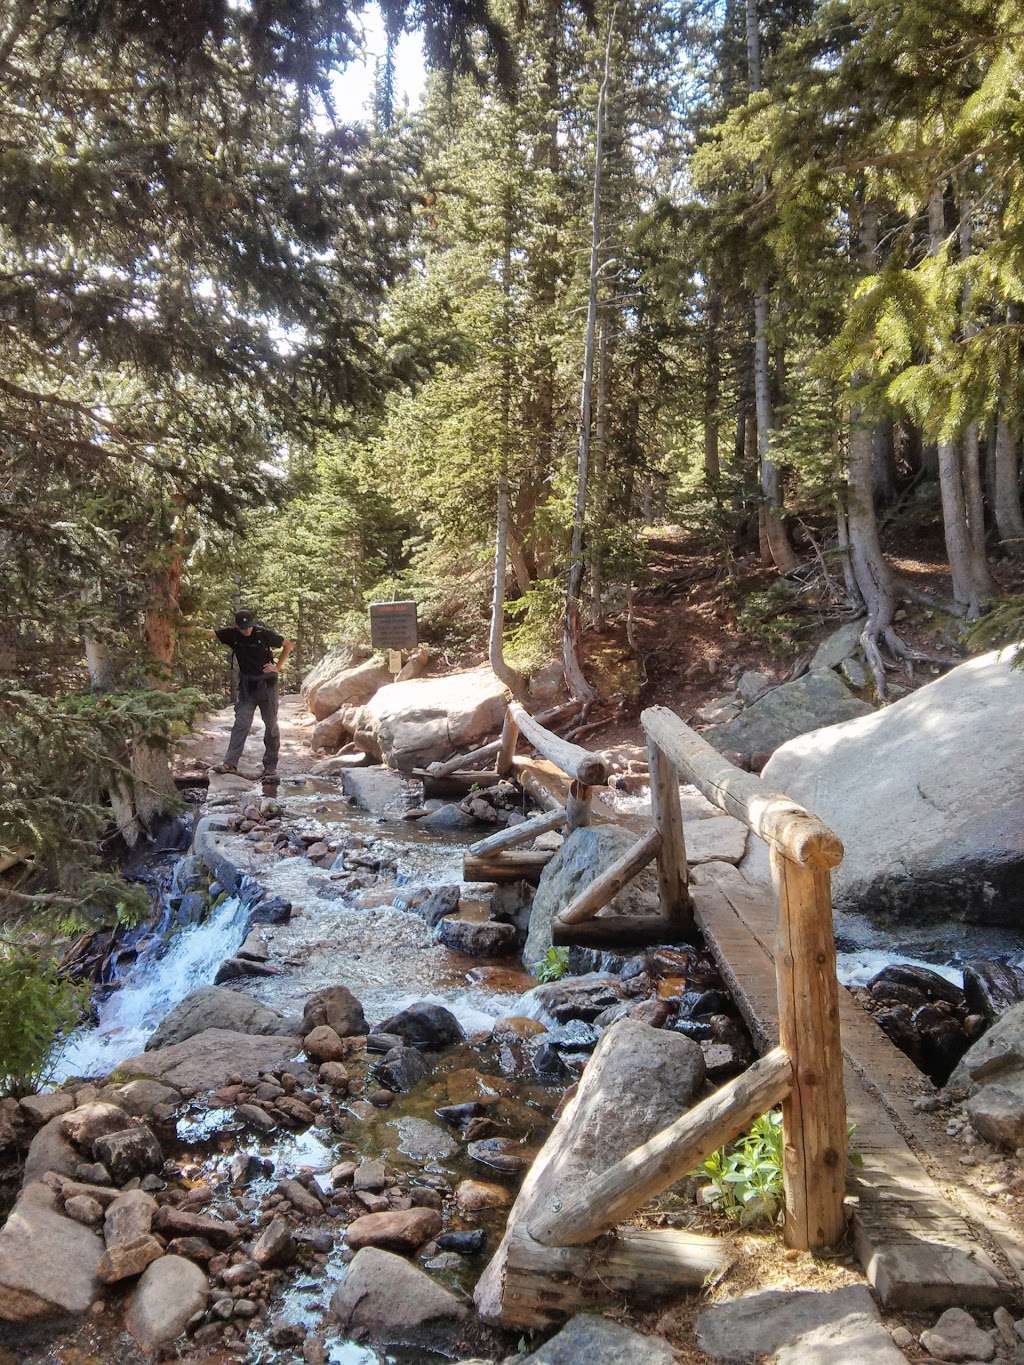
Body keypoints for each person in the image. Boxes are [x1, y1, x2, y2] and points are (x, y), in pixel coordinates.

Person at [211, 609, 293, 777]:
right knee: (241, 724)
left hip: (267, 685)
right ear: (237, 625)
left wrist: (277, 667)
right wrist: (178, 624)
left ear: (252, 624)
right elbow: (208, 633)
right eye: (243, 627)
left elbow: (288, 644)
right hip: (247, 687)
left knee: (271, 725)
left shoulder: (263, 634)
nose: (246, 630)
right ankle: (230, 764)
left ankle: (270, 766)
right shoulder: (232, 634)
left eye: (248, 626)